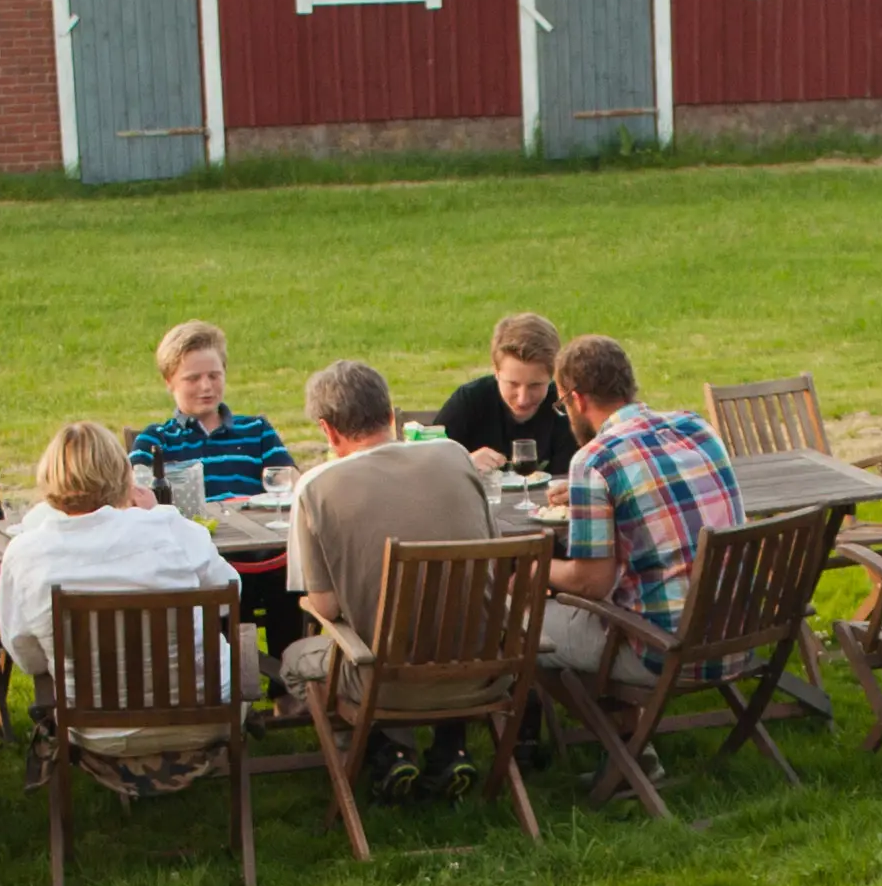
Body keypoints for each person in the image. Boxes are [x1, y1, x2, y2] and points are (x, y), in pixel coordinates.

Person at [283, 357, 502, 797]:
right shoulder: (456, 457)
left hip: (384, 681)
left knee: (295, 660)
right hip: (483, 668)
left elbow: (323, 606)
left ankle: (383, 750)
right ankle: (450, 748)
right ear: (391, 415)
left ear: (327, 431)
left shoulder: (316, 486)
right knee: (438, 621)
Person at [0, 422, 251, 774]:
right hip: (205, 717)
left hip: (93, 728)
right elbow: (228, 595)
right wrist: (157, 518)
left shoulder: (25, 553)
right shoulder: (169, 530)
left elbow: (27, 656)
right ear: (124, 476)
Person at [539, 333, 744, 677]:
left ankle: (534, 727)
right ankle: (622, 718)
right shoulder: (697, 427)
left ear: (577, 398)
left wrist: (532, 570)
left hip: (667, 651)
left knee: (519, 617)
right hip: (741, 634)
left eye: (563, 405)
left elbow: (593, 583)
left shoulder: (594, 460)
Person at [128, 321, 304, 668]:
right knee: (213, 590)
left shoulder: (257, 430)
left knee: (292, 580)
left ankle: (287, 686)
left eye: (214, 375)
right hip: (198, 562)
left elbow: (289, 481)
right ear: (169, 382)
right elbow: (135, 496)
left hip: (261, 556)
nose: (206, 386)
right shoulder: (157, 440)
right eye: (192, 379)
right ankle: (226, 682)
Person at [440, 312, 576, 481]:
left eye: (536, 385)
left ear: (553, 376)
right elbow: (427, 465)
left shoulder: (568, 409)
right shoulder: (470, 401)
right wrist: (464, 464)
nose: (523, 399)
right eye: (512, 384)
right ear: (496, 372)